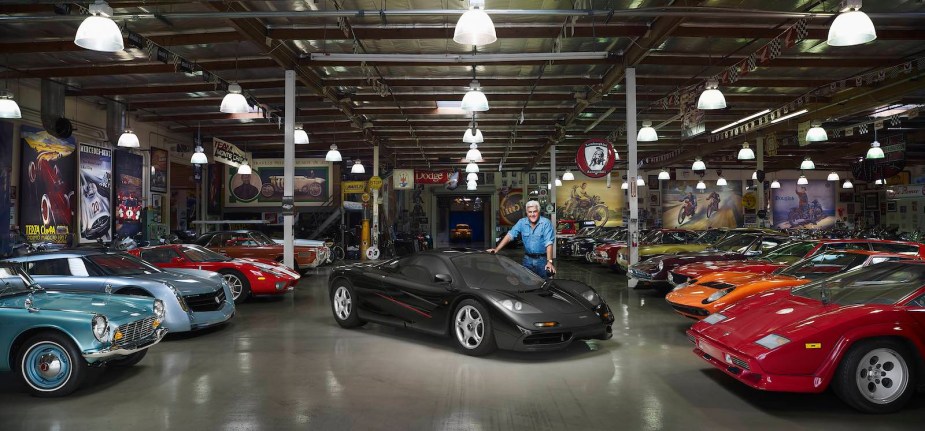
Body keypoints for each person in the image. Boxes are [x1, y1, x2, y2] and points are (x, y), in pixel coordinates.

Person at [487, 200, 556, 278]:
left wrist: (549, 261)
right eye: (530, 212)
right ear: (526, 212)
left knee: (545, 283)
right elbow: (510, 235)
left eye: (535, 211)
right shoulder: (522, 222)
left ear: (539, 211)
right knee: (525, 283)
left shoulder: (546, 223)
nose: (532, 214)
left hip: (542, 260)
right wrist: (497, 249)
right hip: (527, 259)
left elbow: (549, 243)